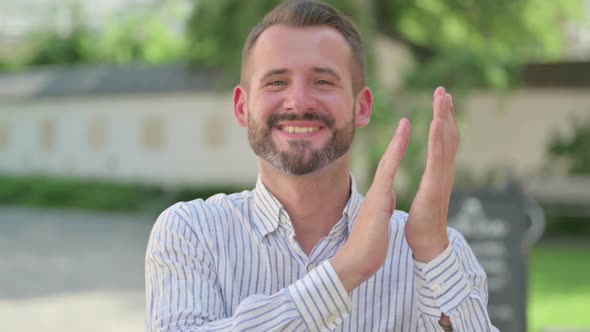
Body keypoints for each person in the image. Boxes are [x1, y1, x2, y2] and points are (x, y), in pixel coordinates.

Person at [145, 0, 498, 331]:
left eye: (323, 82)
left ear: (362, 107)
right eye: (276, 82)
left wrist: (432, 250)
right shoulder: (190, 233)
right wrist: (346, 271)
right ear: (241, 106)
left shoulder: (433, 249)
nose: (298, 102)